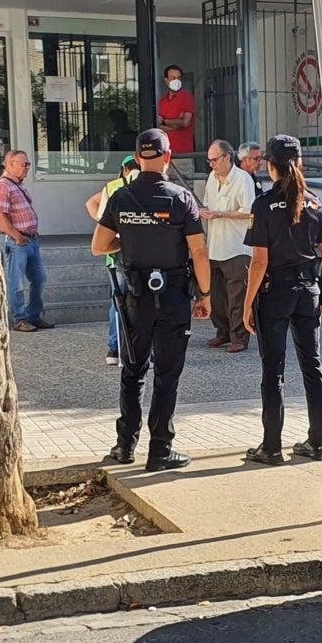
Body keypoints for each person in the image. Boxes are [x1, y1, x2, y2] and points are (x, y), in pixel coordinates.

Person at [91, 129, 213, 472]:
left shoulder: (120, 197)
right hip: (174, 295)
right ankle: (159, 450)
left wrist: (127, 246)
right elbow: (199, 253)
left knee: (133, 370)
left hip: (136, 296)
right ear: (168, 156)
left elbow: (99, 246)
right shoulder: (181, 198)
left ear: (136, 156)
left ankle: (124, 445)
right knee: (167, 374)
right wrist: (205, 295)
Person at [242, 134, 322, 465]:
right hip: (308, 290)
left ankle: (271, 447)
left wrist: (247, 303)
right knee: (313, 367)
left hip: (275, 294)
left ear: (270, 165)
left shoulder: (264, 205)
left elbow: (259, 261)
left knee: (273, 370)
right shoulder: (313, 202)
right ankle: (318, 442)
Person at [201, 139, 257, 353]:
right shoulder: (211, 178)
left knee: (237, 296)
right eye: (209, 160)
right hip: (215, 245)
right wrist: (203, 211)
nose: (211, 164)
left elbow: (249, 211)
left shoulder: (243, 179)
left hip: (237, 246)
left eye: (215, 160)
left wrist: (221, 214)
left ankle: (240, 337)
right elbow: (208, 203)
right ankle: (222, 331)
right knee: (216, 294)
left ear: (227, 157)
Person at [85, 155, 140, 364]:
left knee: (118, 300)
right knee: (142, 301)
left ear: (124, 169)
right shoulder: (150, 183)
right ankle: (139, 348)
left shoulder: (112, 187)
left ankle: (114, 350)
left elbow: (97, 212)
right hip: (144, 252)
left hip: (116, 251)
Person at [0, 150, 53, 332]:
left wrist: (32, 232)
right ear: (10, 164)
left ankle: (34, 315)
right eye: (23, 164)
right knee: (16, 282)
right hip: (16, 241)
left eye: (28, 164)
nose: (27, 168)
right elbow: (0, 217)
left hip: (30, 240)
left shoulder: (17, 185)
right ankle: (19, 319)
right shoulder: (3, 186)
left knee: (39, 278)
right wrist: (17, 236)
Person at [157, 65, 196, 177]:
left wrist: (164, 121)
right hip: (165, 157)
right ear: (166, 80)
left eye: (178, 78)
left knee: (184, 191)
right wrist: (176, 123)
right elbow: (158, 127)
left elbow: (185, 122)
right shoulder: (162, 102)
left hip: (183, 156)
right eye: (173, 78)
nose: (176, 81)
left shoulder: (187, 98)